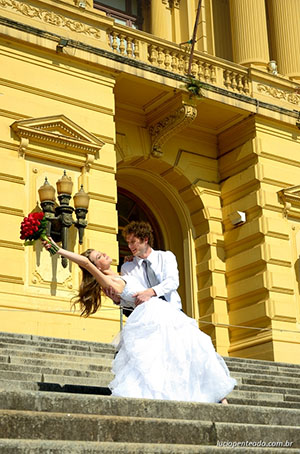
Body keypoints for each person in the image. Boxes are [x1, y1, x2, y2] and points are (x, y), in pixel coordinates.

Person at [43, 237, 236, 404]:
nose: (103, 254)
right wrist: (57, 249)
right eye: (98, 257)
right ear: (96, 266)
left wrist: (131, 260)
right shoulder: (107, 282)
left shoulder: (122, 272)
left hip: (161, 312)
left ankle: (218, 396)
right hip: (150, 317)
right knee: (166, 358)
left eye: (100, 253)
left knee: (191, 348)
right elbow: (85, 264)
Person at [104, 221, 182, 316]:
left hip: (173, 311)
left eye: (133, 242)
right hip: (147, 316)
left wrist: (150, 292)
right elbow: (131, 299)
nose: (129, 246)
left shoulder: (166, 257)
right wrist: (118, 300)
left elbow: (172, 282)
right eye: (128, 242)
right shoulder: (127, 267)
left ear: (145, 240)